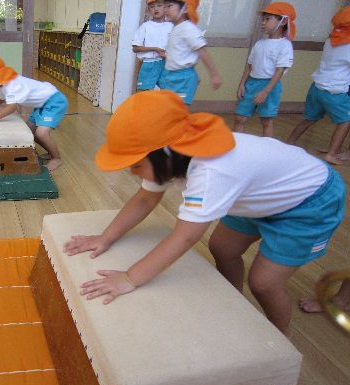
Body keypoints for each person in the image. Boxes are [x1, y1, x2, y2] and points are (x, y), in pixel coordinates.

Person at [63, 90, 346, 336]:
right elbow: (146, 199)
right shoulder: (173, 154)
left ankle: (280, 332)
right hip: (256, 196)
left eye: (135, 164)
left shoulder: (212, 173)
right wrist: (105, 238)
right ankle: (234, 302)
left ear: (166, 155)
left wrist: (129, 278)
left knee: (264, 282)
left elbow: (184, 237)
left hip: (308, 203)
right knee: (222, 248)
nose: (131, 172)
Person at [0, 54, 69, 171]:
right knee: (30, 132)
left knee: (41, 134)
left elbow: (11, 107)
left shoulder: (13, 85)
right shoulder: (3, 84)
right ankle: (50, 152)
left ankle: (56, 158)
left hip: (54, 102)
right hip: (41, 105)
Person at [287, 6, 350, 165]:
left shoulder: (330, 40)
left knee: (309, 119)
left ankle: (289, 143)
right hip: (334, 92)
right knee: (345, 121)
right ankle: (331, 154)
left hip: (316, 87)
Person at [234, 2, 295, 137]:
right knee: (240, 117)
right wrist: (242, 84)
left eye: (268, 19)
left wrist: (265, 92)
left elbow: (279, 71)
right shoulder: (259, 43)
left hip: (270, 86)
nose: (263, 22)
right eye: (263, 19)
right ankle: (238, 144)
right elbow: (249, 66)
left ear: (283, 21)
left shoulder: (285, 45)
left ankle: (268, 146)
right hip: (252, 83)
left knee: (266, 120)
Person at [158, 0, 222, 105]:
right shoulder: (176, 28)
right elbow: (183, 54)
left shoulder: (188, 28)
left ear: (185, 9)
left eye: (169, 6)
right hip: (171, 75)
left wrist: (214, 75)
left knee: (177, 109)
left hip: (182, 78)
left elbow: (202, 51)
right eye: (164, 6)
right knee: (168, 107)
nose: (165, 10)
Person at [132, 0, 173, 91]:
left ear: (165, 8)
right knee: (144, 93)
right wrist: (154, 49)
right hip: (149, 64)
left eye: (159, 5)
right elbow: (135, 48)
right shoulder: (145, 26)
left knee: (168, 92)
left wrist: (168, 56)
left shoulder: (171, 26)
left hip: (166, 63)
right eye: (152, 7)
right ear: (148, 10)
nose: (156, 9)